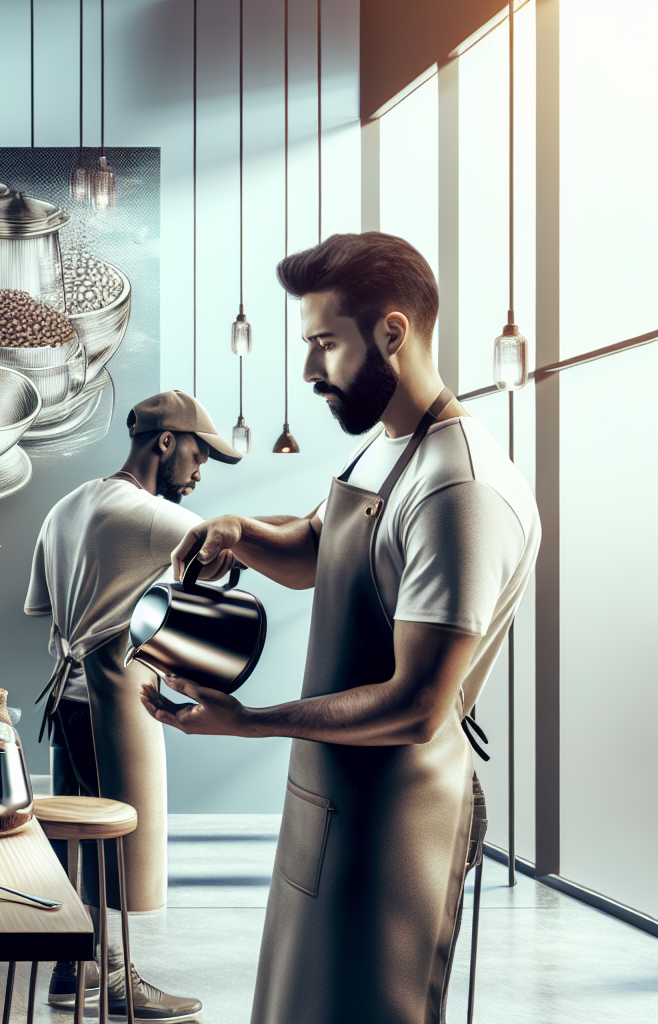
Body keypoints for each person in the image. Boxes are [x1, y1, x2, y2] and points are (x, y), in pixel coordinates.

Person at [142, 233, 538, 1024]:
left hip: (396, 824)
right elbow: (319, 549)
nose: (308, 370)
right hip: (330, 798)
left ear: (392, 333)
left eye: (325, 343)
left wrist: (247, 723)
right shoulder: (384, 453)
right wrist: (240, 531)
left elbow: (418, 705)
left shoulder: (458, 491)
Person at [25, 391, 241, 1023]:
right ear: (164, 443)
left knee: (79, 838)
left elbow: (45, 606)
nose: (199, 473)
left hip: (64, 695)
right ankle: (112, 981)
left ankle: (74, 970)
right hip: (113, 693)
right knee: (116, 839)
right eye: (198, 455)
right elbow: (233, 555)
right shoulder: (147, 514)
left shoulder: (68, 506)